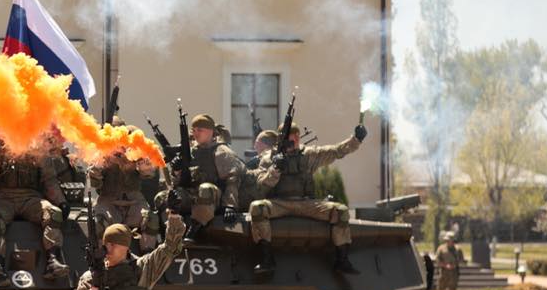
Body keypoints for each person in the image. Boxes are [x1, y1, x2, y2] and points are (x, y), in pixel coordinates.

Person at [248, 122, 367, 276]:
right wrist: (275, 169)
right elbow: (261, 185)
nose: (296, 140)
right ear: (282, 138)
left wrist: (356, 140)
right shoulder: (268, 158)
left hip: (306, 203)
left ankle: (342, 261)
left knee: (341, 211)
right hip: (279, 203)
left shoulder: (309, 154)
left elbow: (336, 151)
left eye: (298, 136)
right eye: (292, 137)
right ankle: (267, 259)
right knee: (257, 208)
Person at [0, 134, 70, 286]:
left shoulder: (38, 148)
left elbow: (49, 179)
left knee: (54, 214)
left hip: (31, 198)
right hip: (2, 198)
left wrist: (61, 202)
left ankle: (53, 261)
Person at [158, 113, 243, 242]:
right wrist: (177, 171)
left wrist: (230, 205)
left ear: (210, 131)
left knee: (205, 188)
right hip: (192, 195)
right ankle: (169, 232)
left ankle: (195, 227)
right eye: (194, 130)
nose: (196, 134)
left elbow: (232, 179)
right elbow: (176, 184)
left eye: (200, 130)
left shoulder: (221, 152)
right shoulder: (190, 151)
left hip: (213, 198)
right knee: (165, 197)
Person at [89, 132, 158, 252]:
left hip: (134, 203)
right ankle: (103, 253)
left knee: (151, 218)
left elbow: (149, 173)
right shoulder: (103, 155)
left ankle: (147, 254)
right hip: (109, 202)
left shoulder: (136, 153)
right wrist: (97, 171)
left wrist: (145, 167)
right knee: (98, 221)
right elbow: (95, 184)